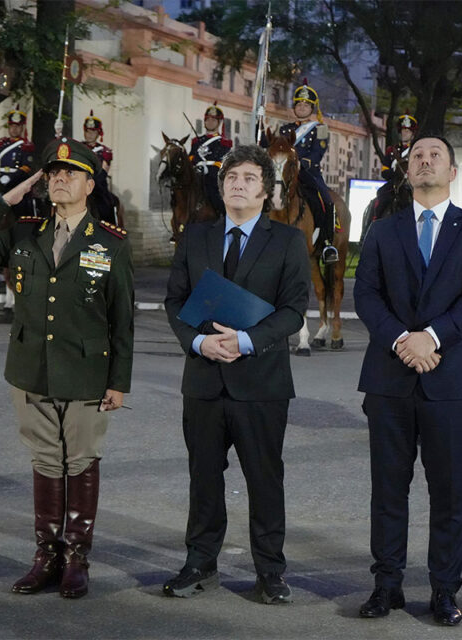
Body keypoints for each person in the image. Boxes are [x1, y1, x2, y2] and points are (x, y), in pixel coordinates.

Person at [0, 137, 134, 599]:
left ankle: (76, 557)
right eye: (53, 172)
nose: (59, 178)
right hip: (30, 369)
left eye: (70, 173)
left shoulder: (109, 243)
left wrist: (119, 383)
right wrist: (6, 199)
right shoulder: (24, 232)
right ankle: (46, 556)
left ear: (90, 185)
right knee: (45, 460)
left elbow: (122, 320)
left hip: (86, 372)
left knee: (81, 460)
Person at [353, 133, 462, 626]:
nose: (425, 160)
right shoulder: (382, 230)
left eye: (435, 155)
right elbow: (366, 295)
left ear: (452, 172)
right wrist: (402, 340)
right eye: (417, 155)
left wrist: (431, 338)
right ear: (407, 170)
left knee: (448, 491)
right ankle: (386, 585)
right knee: (387, 490)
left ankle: (444, 591)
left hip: (451, 379)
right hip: (388, 377)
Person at [163, 144, 310, 604]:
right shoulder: (195, 236)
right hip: (204, 380)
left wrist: (246, 340)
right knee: (203, 478)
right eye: (230, 177)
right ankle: (199, 563)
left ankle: (270, 572)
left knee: (265, 480)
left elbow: (293, 310)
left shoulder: (287, 240)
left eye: (249, 178)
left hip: (261, 382)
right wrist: (198, 342)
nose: (238, 184)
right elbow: (174, 300)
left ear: (265, 190)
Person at [265, 79, 338, 264]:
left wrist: (299, 162)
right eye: (299, 104)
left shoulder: (320, 129)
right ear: (294, 107)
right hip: (286, 172)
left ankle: (327, 243)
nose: (302, 107)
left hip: (308, 173)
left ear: (312, 108)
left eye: (306, 105)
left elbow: (317, 153)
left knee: (326, 200)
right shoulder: (284, 129)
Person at [0, 105, 36, 204]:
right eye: (12, 126)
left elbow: (26, 167)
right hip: (2, 180)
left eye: (17, 126)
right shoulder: (3, 143)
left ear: (22, 128)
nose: (14, 129)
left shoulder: (26, 145)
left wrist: (10, 177)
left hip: (17, 182)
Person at [188, 101, 232, 217]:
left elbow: (222, 162)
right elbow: (191, 157)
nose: (210, 122)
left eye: (213, 120)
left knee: (214, 194)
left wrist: (207, 168)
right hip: (196, 174)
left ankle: (223, 217)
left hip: (212, 176)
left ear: (219, 123)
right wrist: (196, 163)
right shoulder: (196, 141)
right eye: (208, 120)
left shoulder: (224, 142)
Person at [372, 112, 416, 219]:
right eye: (402, 131)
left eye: (407, 131)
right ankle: (375, 222)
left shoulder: (416, 151)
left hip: (412, 185)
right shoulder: (392, 150)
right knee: (381, 195)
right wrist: (396, 172)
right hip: (394, 184)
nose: (404, 134)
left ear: (412, 134)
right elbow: (384, 172)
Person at [82, 110, 118, 225]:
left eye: (93, 132)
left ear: (98, 133)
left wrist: (89, 182)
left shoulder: (105, 151)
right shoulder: (78, 148)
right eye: (87, 131)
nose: (90, 135)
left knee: (104, 206)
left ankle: (107, 228)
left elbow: (103, 172)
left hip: (97, 186)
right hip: (79, 184)